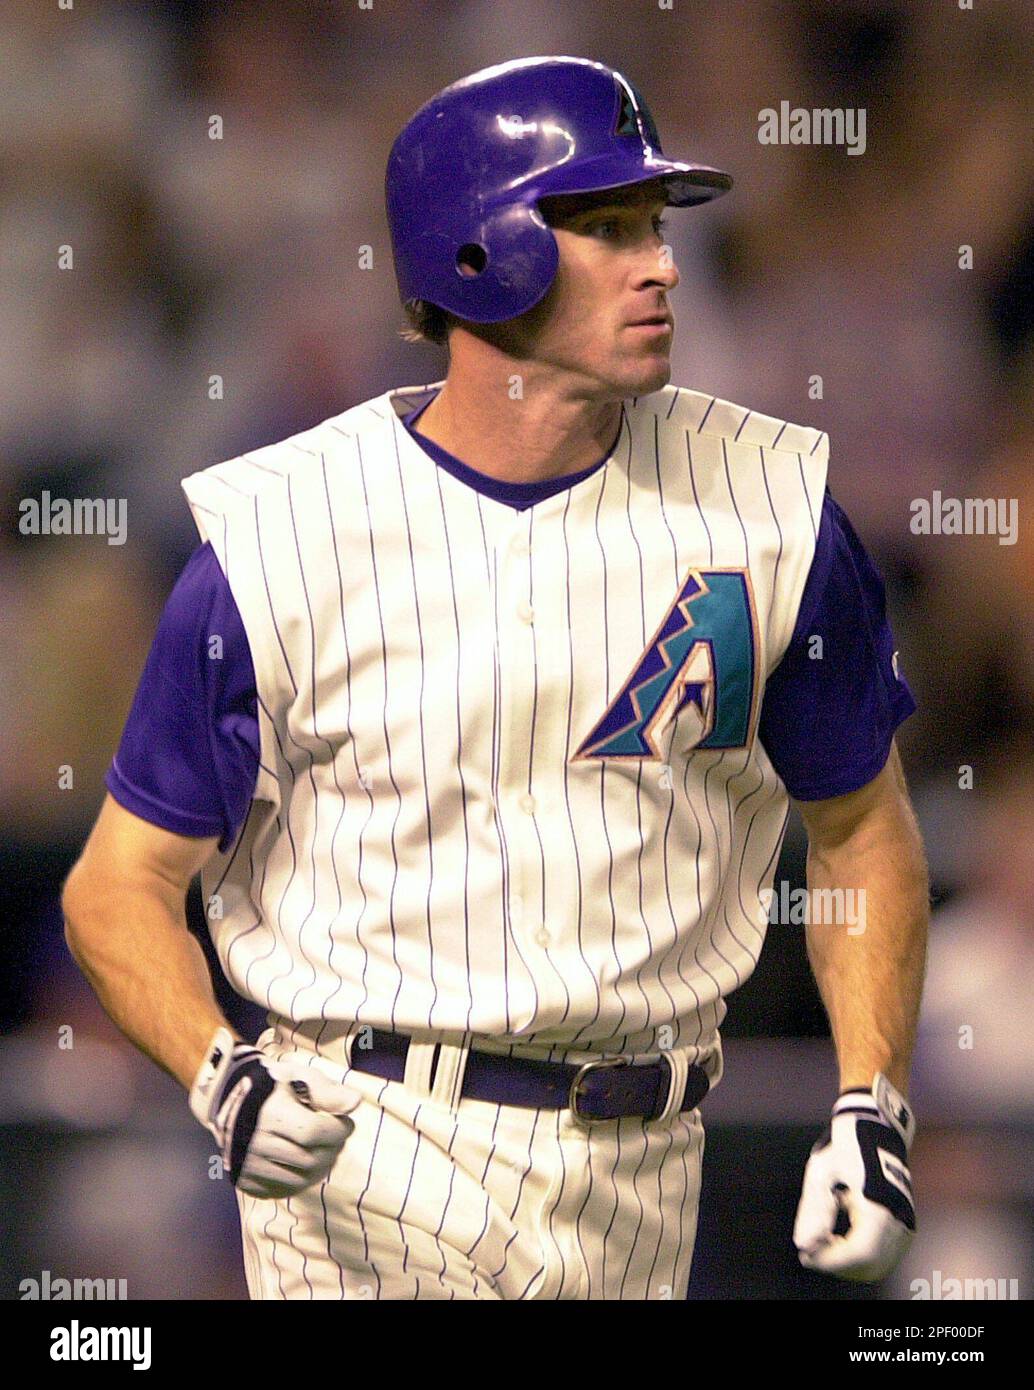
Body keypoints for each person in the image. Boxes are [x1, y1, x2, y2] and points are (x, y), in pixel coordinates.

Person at [62, 56, 928, 1300]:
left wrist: (871, 1100)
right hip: (363, 1159)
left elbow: (860, 829)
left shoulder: (771, 510)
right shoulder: (282, 534)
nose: (663, 263)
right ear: (479, 250)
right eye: (610, 226)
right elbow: (116, 884)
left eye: (655, 224)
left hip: (645, 1163)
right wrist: (219, 1073)